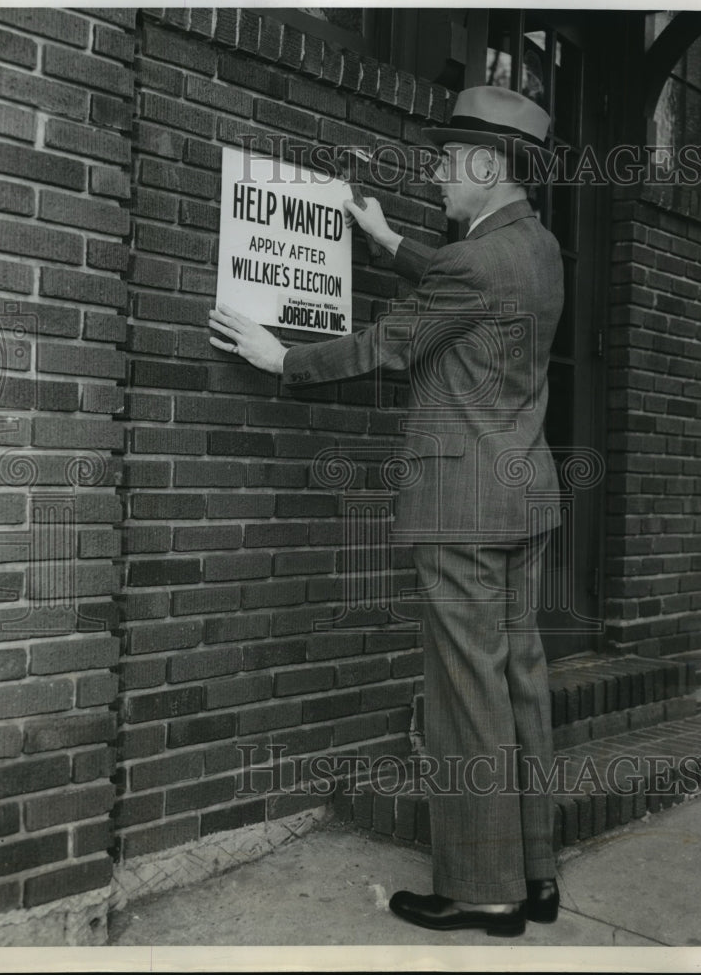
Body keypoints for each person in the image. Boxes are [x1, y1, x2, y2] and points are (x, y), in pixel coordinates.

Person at [209, 86, 563, 938]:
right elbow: (460, 289)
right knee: (518, 684)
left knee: (462, 699)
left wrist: (282, 355)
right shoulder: (537, 247)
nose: (437, 175)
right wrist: (385, 238)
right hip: (522, 493)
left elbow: (392, 342)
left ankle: (481, 892)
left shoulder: (475, 262)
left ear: (487, 166)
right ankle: (535, 876)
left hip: (460, 507)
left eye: (447, 161)